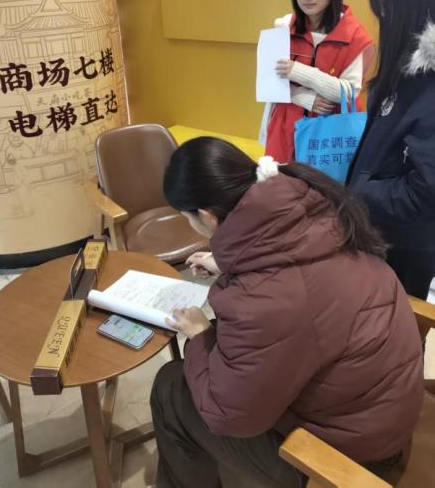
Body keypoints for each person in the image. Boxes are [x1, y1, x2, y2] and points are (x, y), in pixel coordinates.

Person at [150, 137, 423, 488]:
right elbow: (300, 281)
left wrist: (201, 335)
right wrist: (229, 263)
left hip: (347, 458)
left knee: (170, 388)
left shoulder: (264, 301)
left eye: (185, 217)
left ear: (206, 216)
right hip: (382, 418)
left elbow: (227, 416)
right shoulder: (319, 212)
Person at [347, 0, 435, 301]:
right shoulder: (406, 72)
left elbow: (425, 193)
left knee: (390, 323)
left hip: (404, 248)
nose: (383, 19)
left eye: (388, 7)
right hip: (377, 232)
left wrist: (359, 189)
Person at [261, 0, 373, 163]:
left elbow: (348, 93)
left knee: (321, 185)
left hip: (327, 140)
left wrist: (297, 71)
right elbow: (268, 84)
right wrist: (304, 98)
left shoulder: (354, 36)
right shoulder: (283, 27)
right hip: (285, 132)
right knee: (280, 182)